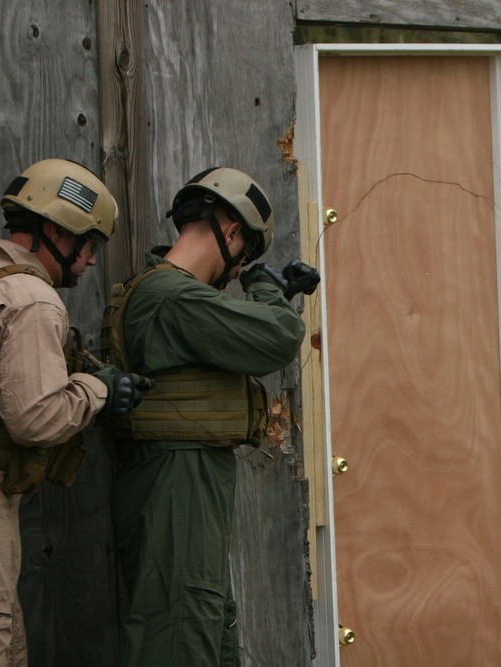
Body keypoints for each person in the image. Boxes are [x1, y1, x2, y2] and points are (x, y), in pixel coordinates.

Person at [104, 167, 320, 666]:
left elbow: (222, 339)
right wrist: (264, 288)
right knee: (180, 631)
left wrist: (274, 297)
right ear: (231, 232)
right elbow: (279, 338)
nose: (238, 268)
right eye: (244, 255)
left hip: (180, 481)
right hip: (179, 483)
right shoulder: (171, 296)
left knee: (203, 627)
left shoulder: (165, 295)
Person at [0, 158, 154, 666]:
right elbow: (34, 419)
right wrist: (98, 389)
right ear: (51, 230)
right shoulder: (32, 299)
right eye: (88, 244)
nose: (90, 261)